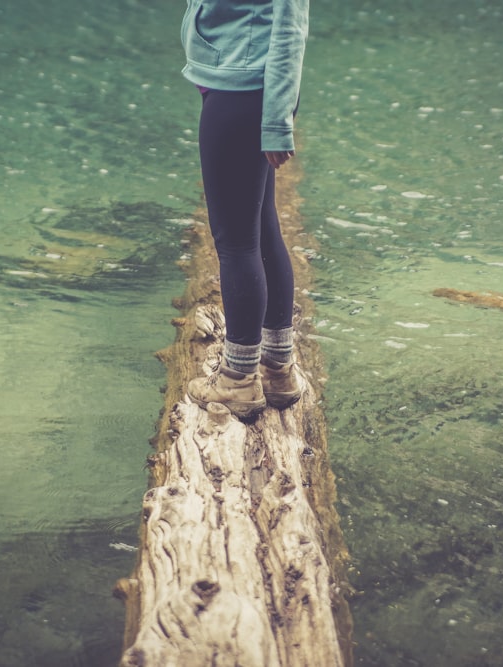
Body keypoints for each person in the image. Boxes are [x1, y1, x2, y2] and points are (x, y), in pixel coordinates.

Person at [180, 0, 310, 420]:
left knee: (235, 242)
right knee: (261, 226)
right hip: (237, 85)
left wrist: (276, 122)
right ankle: (277, 369)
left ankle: (237, 379)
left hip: (244, 93)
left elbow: (291, 28)